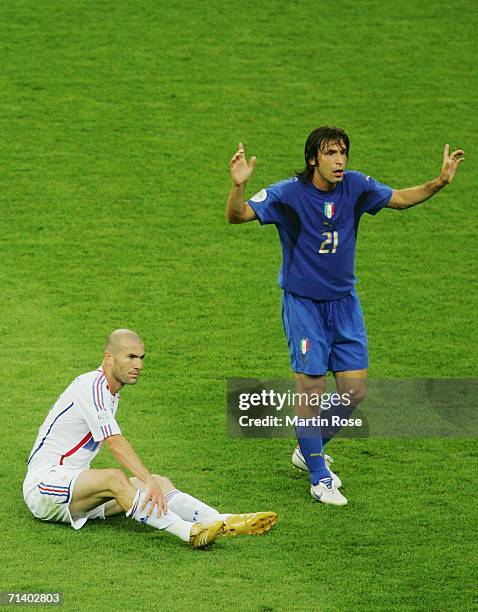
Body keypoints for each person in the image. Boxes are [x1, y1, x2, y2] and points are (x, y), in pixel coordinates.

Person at [226, 126, 464, 506]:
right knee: (312, 388)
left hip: (345, 304)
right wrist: (238, 185)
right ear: (312, 159)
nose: (340, 161)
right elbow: (237, 216)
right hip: (304, 304)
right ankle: (319, 476)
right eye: (331, 154)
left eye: (343, 153)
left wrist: (439, 182)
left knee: (354, 391)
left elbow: (400, 199)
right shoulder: (287, 194)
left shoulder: (355, 186)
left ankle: (308, 449)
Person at [23, 329, 277, 548]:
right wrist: (145, 480)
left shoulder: (111, 393)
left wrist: (150, 482)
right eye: (131, 357)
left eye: (141, 358)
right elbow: (114, 442)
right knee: (117, 478)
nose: (139, 365)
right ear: (108, 358)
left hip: (76, 491)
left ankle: (221, 520)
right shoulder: (90, 386)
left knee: (160, 483)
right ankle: (189, 532)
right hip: (45, 486)